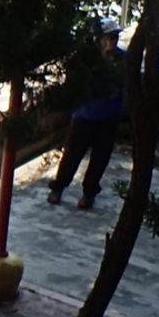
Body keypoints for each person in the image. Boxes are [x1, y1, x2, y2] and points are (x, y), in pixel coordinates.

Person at [48, 19, 124, 210]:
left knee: (100, 158)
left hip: (109, 116)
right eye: (109, 37)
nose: (113, 41)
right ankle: (58, 188)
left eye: (115, 36)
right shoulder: (84, 59)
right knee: (71, 155)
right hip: (84, 115)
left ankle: (89, 193)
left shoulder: (123, 59)